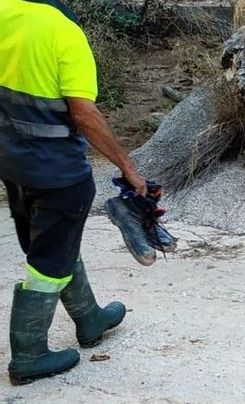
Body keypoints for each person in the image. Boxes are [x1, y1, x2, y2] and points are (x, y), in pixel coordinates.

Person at [0, 0, 148, 384]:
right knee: (48, 260)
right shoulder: (64, 32)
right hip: (58, 173)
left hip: (11, 164)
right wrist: (126, 165)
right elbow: (84, 113)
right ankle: (29, 354)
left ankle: (89, 318)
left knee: (54, 240)